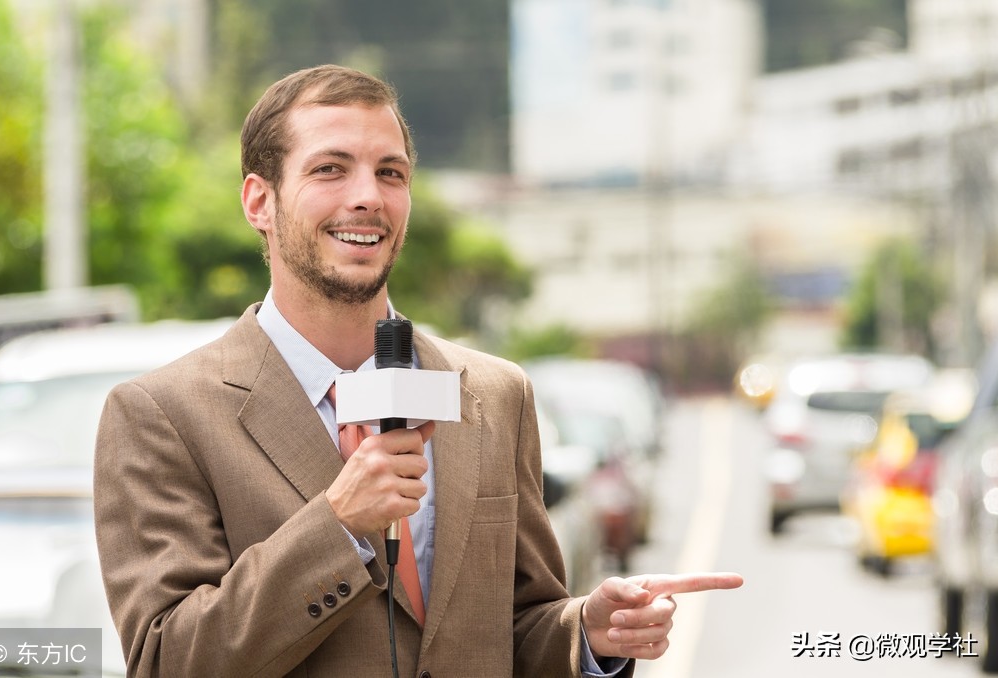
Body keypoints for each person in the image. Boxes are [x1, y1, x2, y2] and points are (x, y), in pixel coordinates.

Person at [93, 64, 742, 677]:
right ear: (259, 201)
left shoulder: (494, 393)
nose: (368, 197)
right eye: (330, 169)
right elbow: (164, 658)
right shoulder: (162, 414)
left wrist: (586, 632)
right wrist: (338, 525)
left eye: (391, 173)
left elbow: (514, 627)